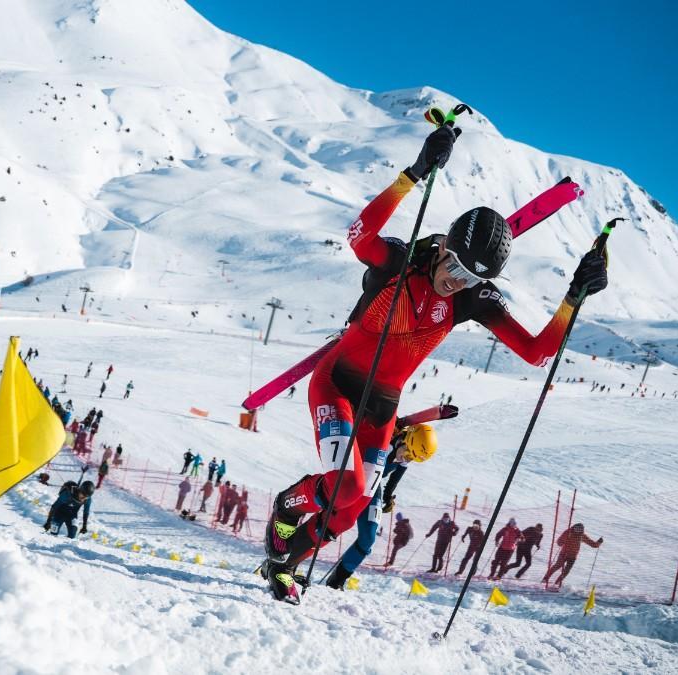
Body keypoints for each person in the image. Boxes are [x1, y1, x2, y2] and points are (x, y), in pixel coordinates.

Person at [260, 124, 609, 603]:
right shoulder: (400, 262)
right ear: (444, 246)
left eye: (469, 278)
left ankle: (284, 564)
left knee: (352, 504)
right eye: (454, 268)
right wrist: (415, 174)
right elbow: (359, 235)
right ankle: (288, 504)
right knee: (347, 483)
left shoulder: (470, 299)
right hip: (338, 384)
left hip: (382, 406)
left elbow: (536, 351)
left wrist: (574, 296)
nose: (456, 283)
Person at [325, 420, 445, 590]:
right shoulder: (384, 440)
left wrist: (388, 496)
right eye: (408, 454)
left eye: (412, 458)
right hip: (353, 481)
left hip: (373, 486)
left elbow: (397, 474)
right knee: (330, 525)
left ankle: (336, 581)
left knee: (368, 539)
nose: (407, 458)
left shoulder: (407, 449)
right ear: (405, 440)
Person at [543, 523, 604, 588]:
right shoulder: (568, 532)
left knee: (566, 571)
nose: (578, 530)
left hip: (573, 556)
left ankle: (557, 583)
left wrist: (599, 542)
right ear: (574, 528)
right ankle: (545, 579)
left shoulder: (581, 536)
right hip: (564, 554)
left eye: (580, 529)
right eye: (576, 528)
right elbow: (559, 542)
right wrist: (562, 542)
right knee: (558, 566)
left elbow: (592, 544)